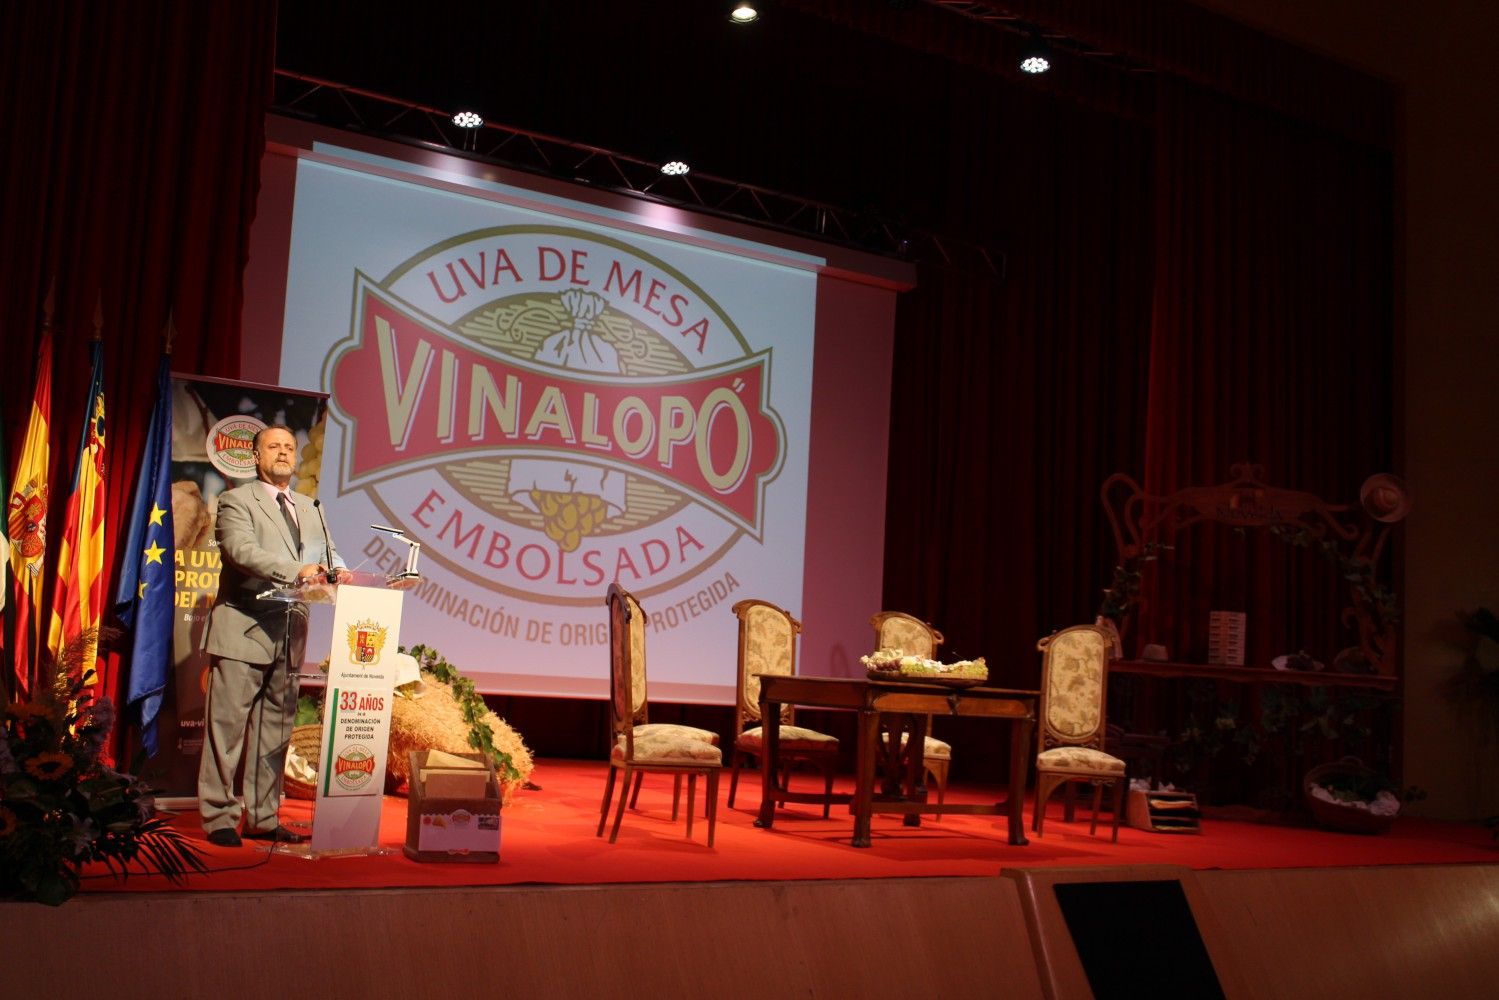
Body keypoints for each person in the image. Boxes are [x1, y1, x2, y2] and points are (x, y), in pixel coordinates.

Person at [198, 425, 350, 846]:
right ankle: (219, 817)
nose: (283, 453)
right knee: (226, 730)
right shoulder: (236, 500)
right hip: (243, 629)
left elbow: (326, 554)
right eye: (273, 447)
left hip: (290, 631)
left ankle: (263, 818)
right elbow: (241, 551)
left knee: (275, 732)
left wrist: (339, 570)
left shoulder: (310, 506)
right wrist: (297, 570)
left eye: (289, 447)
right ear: (255, 456)